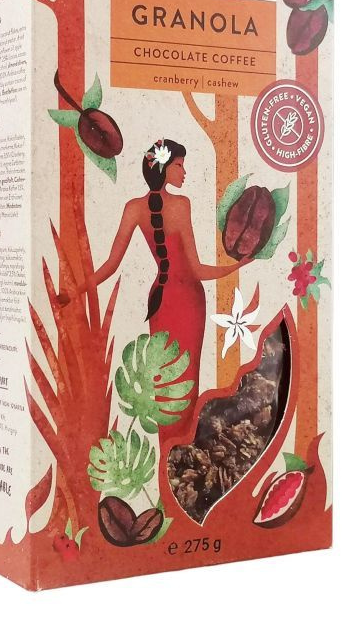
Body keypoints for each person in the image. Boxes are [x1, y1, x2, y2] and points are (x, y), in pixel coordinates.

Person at [88, 138, 253, 438]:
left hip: (161, 300)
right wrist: (237, 266)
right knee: (185, 379)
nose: (184, 172)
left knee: (165, 380)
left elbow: (111, 264)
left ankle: (169, 446)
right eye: (179, 165)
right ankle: (179, 445)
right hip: (187, 299)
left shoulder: (134, 208)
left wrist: (79, 289)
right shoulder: (181, 205)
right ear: (163, 168)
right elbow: (196, 270)